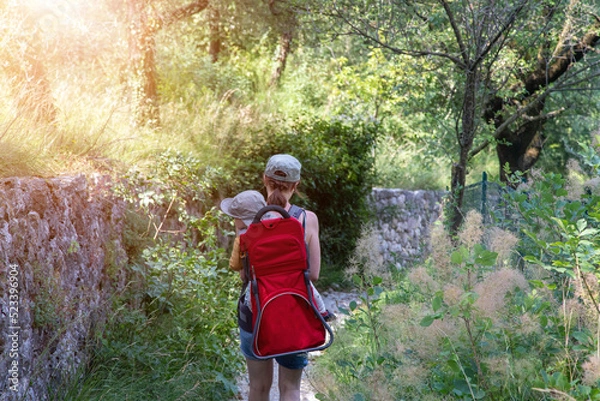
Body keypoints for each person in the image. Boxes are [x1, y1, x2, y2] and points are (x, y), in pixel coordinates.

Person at [221, 154, 325, 401]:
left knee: (258, 387)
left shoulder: (249, 217)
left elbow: (244, 274)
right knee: (290, 388)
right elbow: (315, 274)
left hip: (255, 312)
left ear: (264, 179)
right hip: (295, 311)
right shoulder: (306, 219)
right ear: (296, 185)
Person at [219, 189, 331, 318]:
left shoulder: (244, 238)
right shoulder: (281, 226)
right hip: (291, 281)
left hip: (261, 290)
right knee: (308, 287)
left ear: (240, 219)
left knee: (250, 305)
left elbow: (236, 267)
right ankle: (322, 311)